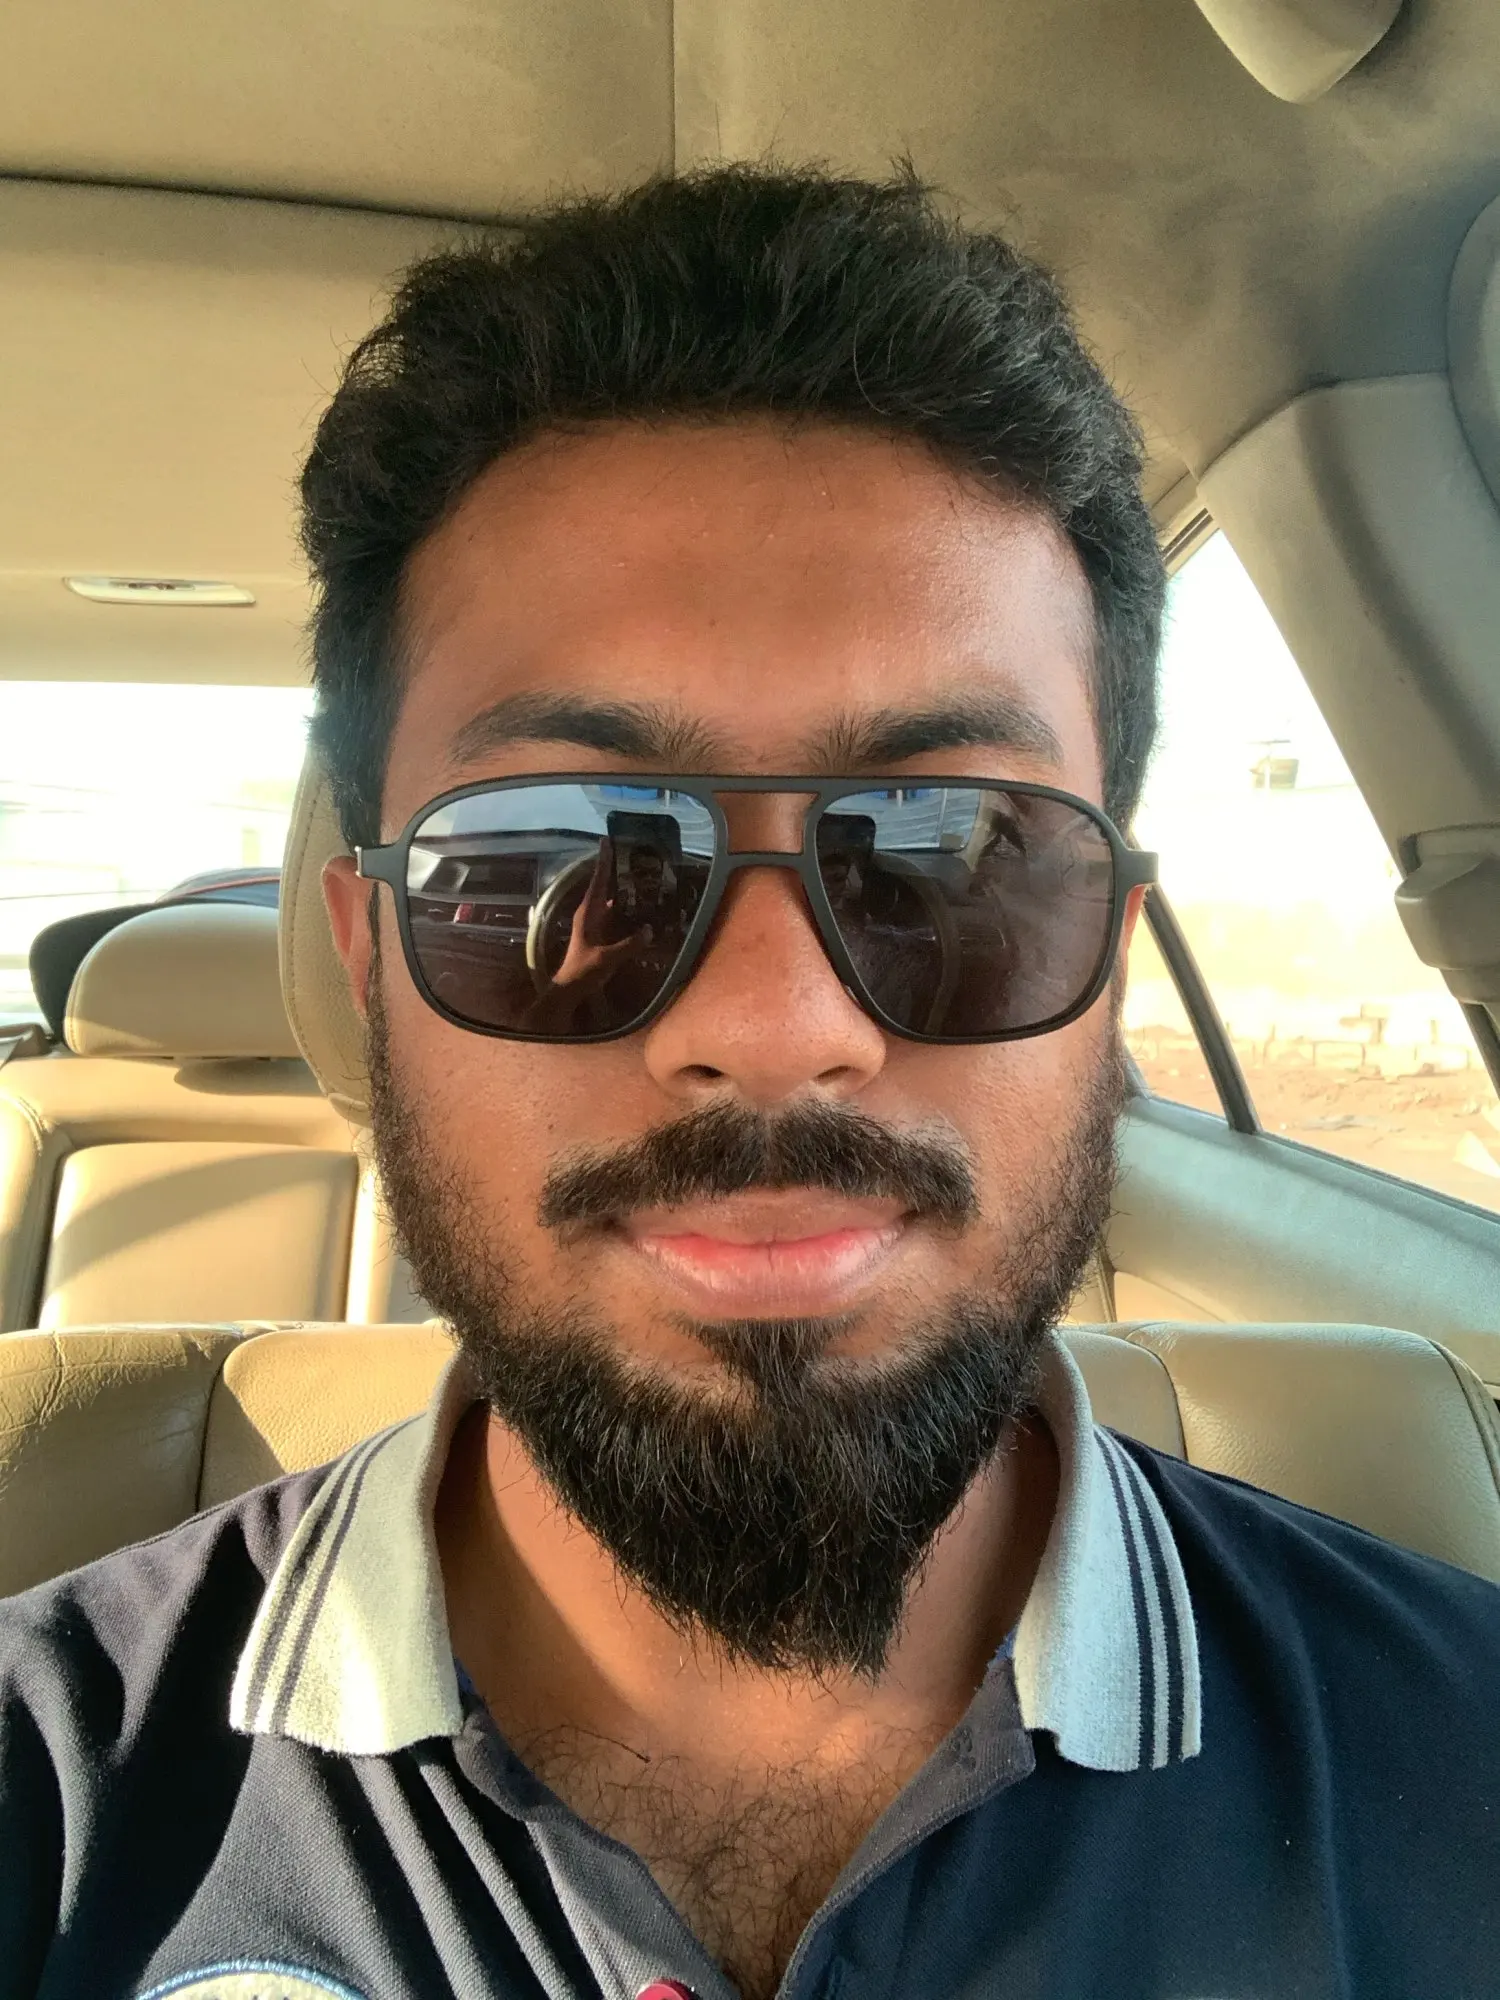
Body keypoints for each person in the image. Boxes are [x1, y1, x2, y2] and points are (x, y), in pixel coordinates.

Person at [2, 167, 1497, 2000]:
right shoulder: (44, 1796)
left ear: (1106, 958)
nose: (776, 1024)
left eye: (952, 854)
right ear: (370, 955)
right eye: (565, 856)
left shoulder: (1468, 1766)